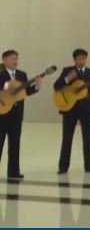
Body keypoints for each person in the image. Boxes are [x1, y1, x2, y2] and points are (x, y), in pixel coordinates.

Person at [55, 48, 90, 174]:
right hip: (70, 108)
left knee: (88, 139)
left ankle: (89, 167)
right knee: (67, 138)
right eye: (79, 59)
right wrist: (67, 78)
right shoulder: (67, 71)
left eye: (83, 59)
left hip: (87, 109)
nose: (81, 61)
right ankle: (63, 167)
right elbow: (57, 86)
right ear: (74, 60)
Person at [0, 50, 43, 179]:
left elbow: (26, 91)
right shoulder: (1, 73)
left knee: (15, 143)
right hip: (2, 112)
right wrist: (7, 86)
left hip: (17, 114)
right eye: (12, 58)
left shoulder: (22, 74)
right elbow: (4, 86)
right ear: (4, 60)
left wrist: (37, 86)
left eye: (16, 58)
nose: (15, 61)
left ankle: (14, 172)